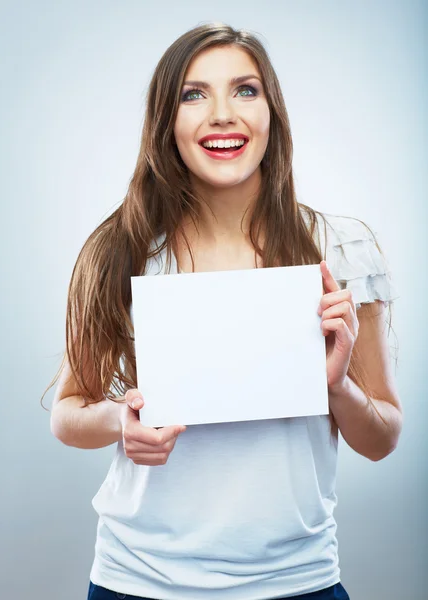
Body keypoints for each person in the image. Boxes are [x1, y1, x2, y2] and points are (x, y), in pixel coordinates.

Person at [45, 22, 403, 600]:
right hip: (139, 581)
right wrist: (121, 422)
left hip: (299, 580)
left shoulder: (340, 247)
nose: (221, 114)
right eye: (194, 94)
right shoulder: (122, 250)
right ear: (169, 123)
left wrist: (335, 387)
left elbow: (383, 436)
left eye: (245, 90)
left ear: (272, 113)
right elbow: (66, 413)